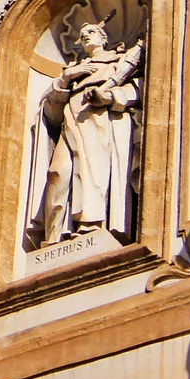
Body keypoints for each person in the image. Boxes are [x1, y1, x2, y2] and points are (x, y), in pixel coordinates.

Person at [31, 20, 141, 246]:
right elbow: (51, 113)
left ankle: (90, 228)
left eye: (91, 32)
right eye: (82, 35)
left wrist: (109, 97)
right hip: (71, 123)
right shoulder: (73, 71)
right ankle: (53, 237)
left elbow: (139, 89)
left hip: (101, 122)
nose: (86, 37)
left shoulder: (118, 61)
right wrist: (66, 78)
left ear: (103, 37)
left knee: (94, 174)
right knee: (57, 173)